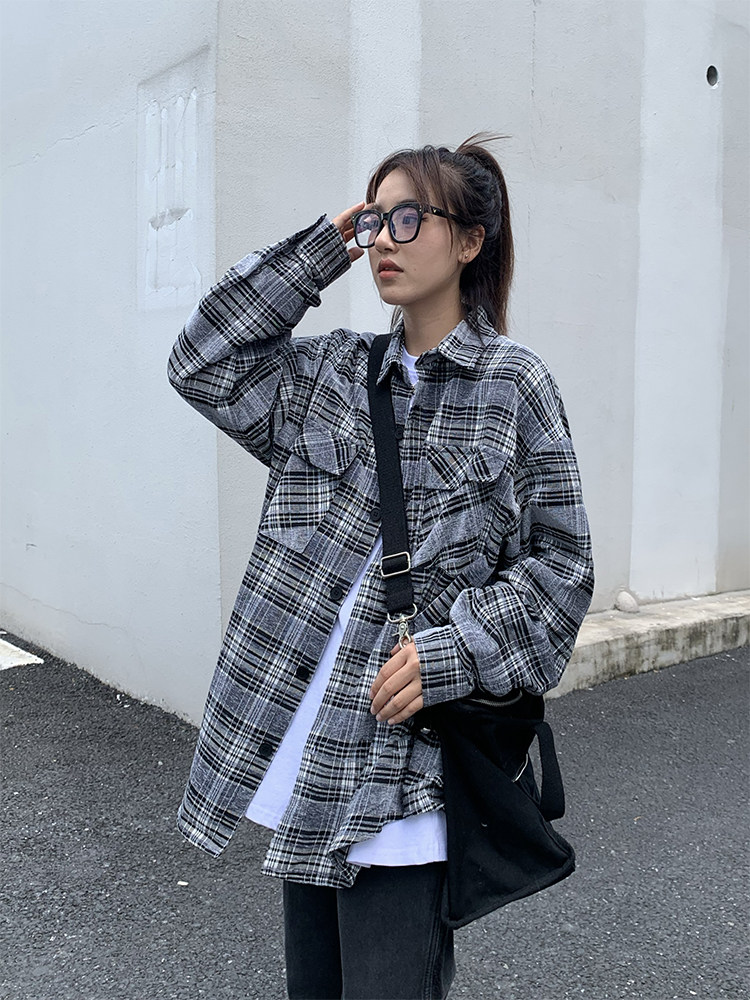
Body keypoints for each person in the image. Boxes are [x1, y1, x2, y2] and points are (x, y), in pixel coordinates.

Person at [168, 135, 594, 1000]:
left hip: (404, 773)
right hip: (307, 755)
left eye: (409, 218)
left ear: (469, 241)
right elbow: (203, 363)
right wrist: (322, 248)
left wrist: (453, 652)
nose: (384, 242)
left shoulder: (513, 386)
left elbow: (562, 565)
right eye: (374, 220)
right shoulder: (331, 373)